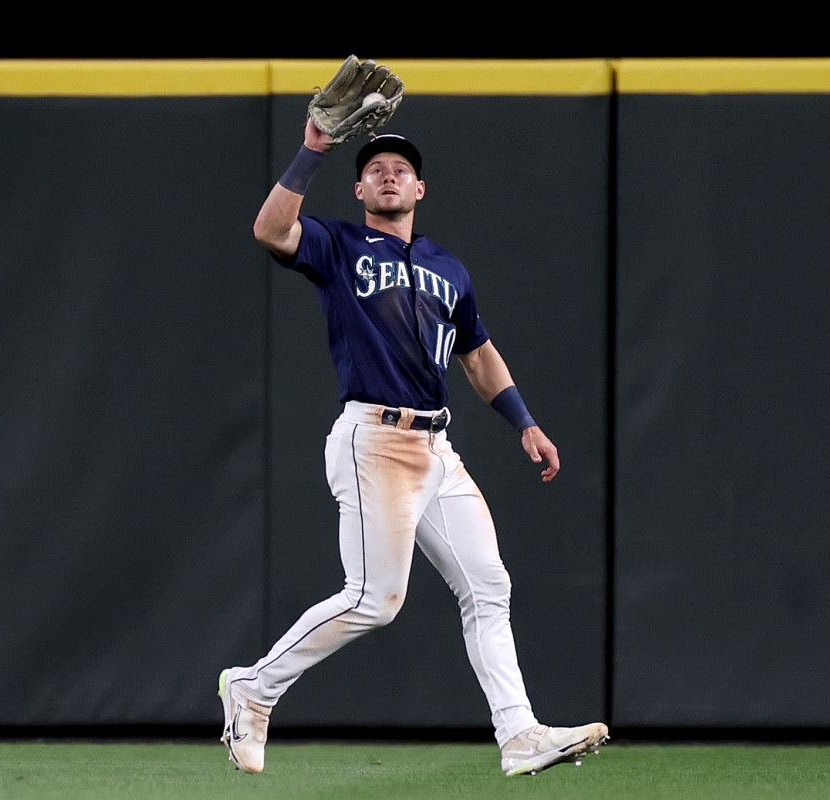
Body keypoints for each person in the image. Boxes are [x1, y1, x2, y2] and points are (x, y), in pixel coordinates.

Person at [218, 117, 608, 777]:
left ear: (420, 187)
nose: (389, 173)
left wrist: (525, 422)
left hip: (435, 447)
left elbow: (477, 355)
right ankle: (254, 688)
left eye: (401, 168)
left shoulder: (447, 267)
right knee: (374, 598)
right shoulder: (337, 245)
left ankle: (518, 734)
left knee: (489, 586)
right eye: (375, 169)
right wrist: (312, 151)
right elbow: (269, 229)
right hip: (374, 439)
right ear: (360, 189)